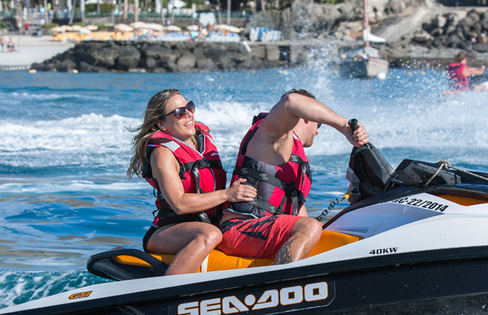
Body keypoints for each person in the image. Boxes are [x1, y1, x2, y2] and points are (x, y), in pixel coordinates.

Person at [218, 89, 369, 265]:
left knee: (318, 227)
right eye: (318, 124)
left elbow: (299, 218)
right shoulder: (273, 136)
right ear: (306, 116)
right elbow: (291, 101)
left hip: (265, 231)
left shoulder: (295, 160)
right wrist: (344, 125)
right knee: (310, 227)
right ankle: (282, 283)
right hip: (239, 230)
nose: (318, 132)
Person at [127, 89, 257, 275]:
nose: (188, 113)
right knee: (210, 234)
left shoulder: (202, 140)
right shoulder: (162, 154)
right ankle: (166, 293)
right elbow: (179, 204)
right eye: (179, 112)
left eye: (189, 107)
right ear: (162, 124)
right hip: (169, 230)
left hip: (211, 222)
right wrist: (228, 194)